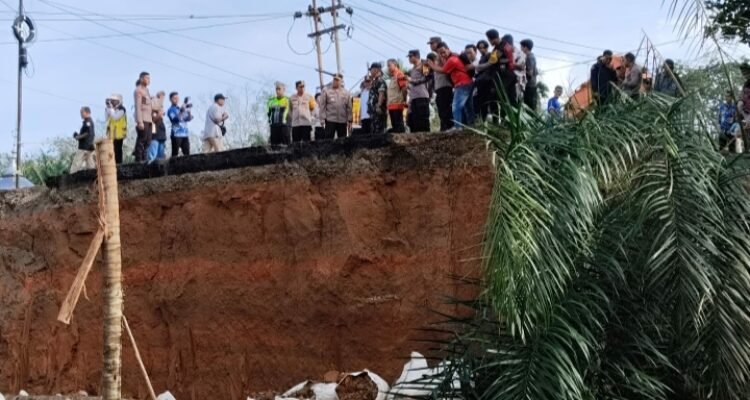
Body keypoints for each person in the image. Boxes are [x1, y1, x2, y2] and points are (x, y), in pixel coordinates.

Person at [428, 42, 474, 128]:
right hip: (466, 83)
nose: (442, 54)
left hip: (462, 84)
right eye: (440, 53)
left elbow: (443, 70)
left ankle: (458, 127)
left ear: (448, 49)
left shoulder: (452, 59)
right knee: (468, 107)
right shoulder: (452, 57)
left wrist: (432, 66)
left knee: (456, 107)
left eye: (443, 52)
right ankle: (471, 126)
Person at [477, 30, 517, 119]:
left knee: (504, 100)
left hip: (505, 78)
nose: (489, 42)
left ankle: (505, 121)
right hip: (509, 76)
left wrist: (478, 67)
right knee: (510, 100)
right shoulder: (504, 45)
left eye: (489, 40)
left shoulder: (500, 47)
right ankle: (509, 121)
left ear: (493, 39)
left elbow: (491, 63)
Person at [428, 36, 454, 131]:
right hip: (439, 86)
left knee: (445, 107)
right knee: (441, 107)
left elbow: (445, 69)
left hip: (445, 84)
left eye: (432, 43)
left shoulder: (443, 55)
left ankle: (449, 126)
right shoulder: (434, 56)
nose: (430, 46)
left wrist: (433, 66)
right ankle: (444, 127)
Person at [319, 74, 352, 139]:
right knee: (328, 140)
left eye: (337, 80)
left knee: (342, 140)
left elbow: (349, 107)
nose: (335, 81)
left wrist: (350, 120)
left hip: (342, 121)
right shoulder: (326, 91)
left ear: (341, 81)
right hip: (330, 120)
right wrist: (322, 119)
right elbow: (322, 106)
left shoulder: (346, 93)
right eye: (334, 79)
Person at [407, 49, 431, 133]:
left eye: (410, 56)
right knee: (415, 119)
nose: (409, 59)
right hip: (414, 97)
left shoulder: (424, 65)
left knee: (423, 118)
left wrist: (413, 80)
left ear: (416, 56)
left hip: (422, 95)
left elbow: (427, 78)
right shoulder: (412, 69)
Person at [134, 71, 153, 162]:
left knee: (148, 140)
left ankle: (145, 159)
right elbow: (138, 106)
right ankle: (138, 160)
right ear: (141, 79)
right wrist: (139, 121)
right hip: (143, 119)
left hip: (149, 119)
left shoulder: (147, 91)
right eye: (147, 78)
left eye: (149, 78)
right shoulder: (138, 90)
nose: (149, 80)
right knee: (142, 140)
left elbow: (147, 104)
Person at [70, 106, 96, 173]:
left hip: (84, 147)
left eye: (82, 112)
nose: (80, 114)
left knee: (75, 165)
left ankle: (71, 180)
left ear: (87, 112)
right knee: (91, 166)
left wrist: (78, 137)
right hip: (89, 147)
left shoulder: (88, 122)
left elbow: (87, 133)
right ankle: (93, 180)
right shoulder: (88, 122)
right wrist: (78, 136)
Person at [167, 92, 193, 157]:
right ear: (170, 99)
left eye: (177, 98)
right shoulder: (171, 110)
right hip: (176, 134)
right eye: (174, 98)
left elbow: (189, 118)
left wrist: (189, 111)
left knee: (187, 153)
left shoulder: (180, 108)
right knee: (175, 153)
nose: (176, 100)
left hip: (185, 134)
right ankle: (173, 166)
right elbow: (175, 119)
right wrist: (181, 111)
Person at [386, 59, 408, 133]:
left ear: (395, 65)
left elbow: (404, 89)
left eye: (389, 65)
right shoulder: (392, 78)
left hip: (398, 104)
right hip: (391, 105)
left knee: (399, 126)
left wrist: (404, 100)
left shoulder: (399, 75)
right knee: (394, 126)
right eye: (387, 66)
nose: (388, 67)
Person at [105, 94, 127, 164]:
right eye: (112, 101)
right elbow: (106, 119)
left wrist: (111, 109)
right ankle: (112, 164)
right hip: (111, 134)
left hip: (119, 133)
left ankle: (119, 163)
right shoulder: (112, 109)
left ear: (119, 101)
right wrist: (107, 109)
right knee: (111, 150)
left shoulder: (122, 109)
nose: (112, 102)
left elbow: (115, 117)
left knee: (118, 150)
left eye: (114, 101)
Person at [367, 63, 388, 134]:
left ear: (376, 70)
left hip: (378, 109)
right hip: (373, 111)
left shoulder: (380, 81)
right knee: (374, 130)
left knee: (379, 130)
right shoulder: (374, 81)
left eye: (371, 70)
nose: (370, 72)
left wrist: (379, 106)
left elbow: (381, 94)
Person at [148, 91, 167, 163]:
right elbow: (154, 119)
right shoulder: (150, 111)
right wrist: (159, 113)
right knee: (153, 153)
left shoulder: (160, 110)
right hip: (154, 135)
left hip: (161, 134)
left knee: (161, 154)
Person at [520, 39, 539, 110]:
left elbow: (530, 73)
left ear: (525, 48)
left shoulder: (529, 57)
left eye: (521, 47)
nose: (521, 49)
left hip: (529, 86)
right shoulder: (532, 57)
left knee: (528, 108)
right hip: (532, 86)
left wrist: (522, 69)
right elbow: (536, 72)